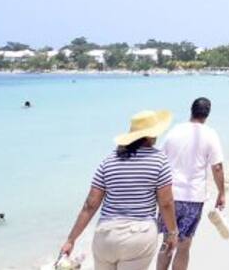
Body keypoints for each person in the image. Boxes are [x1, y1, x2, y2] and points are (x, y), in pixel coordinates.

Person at [59, 109, 178, 269]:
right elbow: (166, 203)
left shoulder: (109, 160)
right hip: (139, 235)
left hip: (105, 235)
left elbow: (90, 205)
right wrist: (172, 233)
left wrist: (71, 240)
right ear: (150, 135)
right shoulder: (159, 160)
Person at [157, 97, 225, 270]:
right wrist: (221, 192)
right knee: (184, 244)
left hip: (169, 197)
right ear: (207, 114)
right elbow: (217, 167)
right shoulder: (210, 134)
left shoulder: (174, 131)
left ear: (191, 110)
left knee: (167, 241)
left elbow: (159, 161)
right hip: (193, 198)